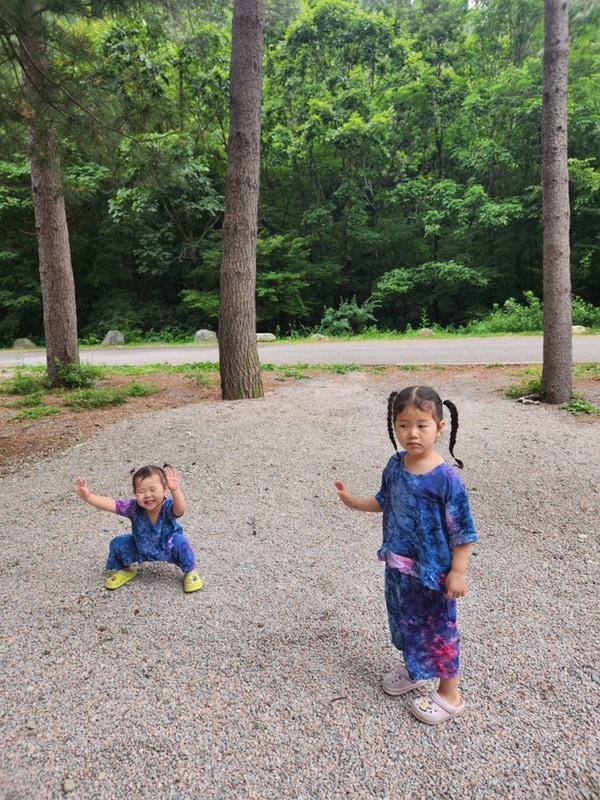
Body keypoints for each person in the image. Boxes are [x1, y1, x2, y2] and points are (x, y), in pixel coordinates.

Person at [334, 386, 478, 725]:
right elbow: (384, 500)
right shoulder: (395, 465)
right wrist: (354, 502)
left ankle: (450, 695)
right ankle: (416, 669)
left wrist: (458, 571)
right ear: (394, 426)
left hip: (433, 572)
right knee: (405, 621)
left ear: (440, 427)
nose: (412, 433)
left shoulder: (445, 479)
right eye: (403, 425)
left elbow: (463, 531)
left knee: (439, 629)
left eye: (422, 425)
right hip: (400, 565)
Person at [74, 464, 203, 593]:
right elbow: (111, 504)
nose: (147, 495)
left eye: (153, 489)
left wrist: (175, 490)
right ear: (135, 493)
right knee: (118, 542)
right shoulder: (133, 508)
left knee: (181, 543)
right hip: (140, 547)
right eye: (141, 491)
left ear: (165, 490)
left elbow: (180, 510)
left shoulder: (167, 507)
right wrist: (88, 496)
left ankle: (190, 571)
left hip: (167, 546)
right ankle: (125, 570)